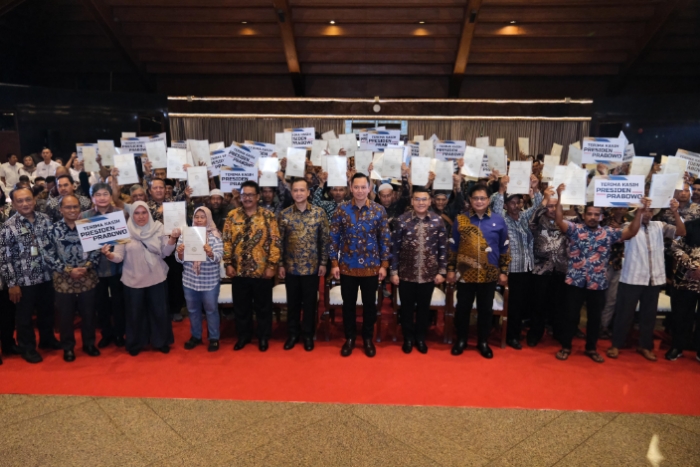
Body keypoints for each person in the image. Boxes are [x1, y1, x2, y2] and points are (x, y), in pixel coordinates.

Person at [553, 183, 647, 363]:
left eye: (596, 214)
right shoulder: (575, 229)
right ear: (584, 215)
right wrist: (559, 197)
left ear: (602, 217)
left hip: (597, 283)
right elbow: (559, 220)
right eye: (590, 214)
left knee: (595, 318)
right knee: (570, 316)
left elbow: (632, 231)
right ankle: (566, 347)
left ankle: (591, 348)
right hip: (575, 281)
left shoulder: (608, 233)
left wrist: (640, 212)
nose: (593, 217)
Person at [607, 199, 685, 361]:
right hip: (632, 277)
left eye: (650, 210)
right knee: (624, 314)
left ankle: (645, 346)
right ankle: (616, 344)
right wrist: (640, 212)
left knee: (649, 315)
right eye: (644, 210)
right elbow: (630, 233)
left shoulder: (660, 225)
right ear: (637, 211)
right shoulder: (627, 226)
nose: (647, 213)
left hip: (653, 278)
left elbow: (681, 232)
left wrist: (675, 212)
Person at [102, 201, 178, 356]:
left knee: (159, 312)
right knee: (135, 313)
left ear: (148, 213)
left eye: (144, 212)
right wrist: (109, 255)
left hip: (156, 277)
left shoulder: (158, 227)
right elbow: (119, 256)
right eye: (137, 213)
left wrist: (172, 240)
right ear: (131, 214)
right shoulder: (124, 230)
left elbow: (166, 253)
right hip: (133, 279)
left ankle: (161, 341)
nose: (141, 216)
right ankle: (136, 342)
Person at [330, 173, 391, 358]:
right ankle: (349, 338)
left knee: (369, 305)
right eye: (356, 187)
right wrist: (334, 263)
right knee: (348, 304)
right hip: (347, 266)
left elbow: (385, 239)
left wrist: (384, 265)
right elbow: (333, 238)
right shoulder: (341, 210)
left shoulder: (379, 210)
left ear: (369, 188)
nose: (359, 190)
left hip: (371, 267)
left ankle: (367, 338)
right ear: (351, 188)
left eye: (363, 187)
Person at [447, 184, 510, 359]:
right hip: (464, 273)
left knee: (485, 310)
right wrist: (450, 269)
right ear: (470, 200)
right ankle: (461, 340)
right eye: (476, 198)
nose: (479, 201)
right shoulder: (461, 220)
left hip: (489, 274)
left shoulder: (499, 220)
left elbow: (504, 247)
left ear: (488, 200)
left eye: (483, 198)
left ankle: (483, 342)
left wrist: (504, 271)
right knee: (462, 308)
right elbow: (453, 246)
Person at [0, 187, 59, 364]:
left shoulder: (45, 219)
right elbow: (4, 258)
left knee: (47, 311)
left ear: (34, 200)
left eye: (28, 199)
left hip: (47, 275)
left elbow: (53, 246)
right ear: (14, 204)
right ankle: (27, 348)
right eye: (20, 201)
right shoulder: (8, 227)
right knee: (24, 317)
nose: (25, 204)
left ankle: (47, 339)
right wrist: (12, 284)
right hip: (23, 280)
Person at [223, 181, 281, 352]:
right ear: (240, 197)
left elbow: (275, 242)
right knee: (241, 307)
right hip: (239, 270)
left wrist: (272, 265)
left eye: (250, 195)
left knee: (263, 307)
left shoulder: (268, 216)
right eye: (244, 195)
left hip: (262, 271)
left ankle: (263, 337)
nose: (247, 198)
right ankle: (243, 336)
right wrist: (227, 263)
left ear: (258, 197)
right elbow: (226, 241)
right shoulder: (232, 216)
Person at [44, 194, 102, 362]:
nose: (72, 210)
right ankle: (68, 347)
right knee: (65, 316)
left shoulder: (88, 226)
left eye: (75, 207)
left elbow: (97, 250)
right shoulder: (52, 230)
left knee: (89, 314)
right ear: (61, 209)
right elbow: (48, 255)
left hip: (87, 277)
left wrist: (87, 267)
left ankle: (89, 344)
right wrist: (68, 270)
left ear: (80, 208)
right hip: (63, 280)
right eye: (68, 207)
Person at [390, 187, 447, 354]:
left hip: (429, 274)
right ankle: (408, 338)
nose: (421, 202)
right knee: (406, 308)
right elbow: (394, 248)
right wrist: (394, 272)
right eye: (417, 199)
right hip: (406, 273)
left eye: (424, 199)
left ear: (430, 202)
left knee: (424, 308)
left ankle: (421, 338)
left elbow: (443, 248)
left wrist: (442, 271)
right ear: (412, 201)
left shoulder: (437, 221)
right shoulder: (402, 220)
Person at [490, 174, 542, 349]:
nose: (516, 205)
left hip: (528, 267)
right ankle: (511, 335)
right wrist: (502, 189)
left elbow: (539, 207)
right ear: (506, 205)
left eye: (518, 202)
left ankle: (517, 330)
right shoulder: (502, 219)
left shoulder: (524, 217)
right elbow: (496, 207)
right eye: (512, 202)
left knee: (523, 303)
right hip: (512, 269)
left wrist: (535, 188)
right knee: (514, 304)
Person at [278, 178, 329, 351]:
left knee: (309, 304)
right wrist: (280, 264)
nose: (299, 193)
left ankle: (308, 334)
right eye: (295, 190)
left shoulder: (319, 213)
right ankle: (293, 334)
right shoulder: (284, 215)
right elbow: (280, 242)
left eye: (302, 190)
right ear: (291, 193)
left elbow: (324, 240)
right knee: (292, 303)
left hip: (311, 267)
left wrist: (323, 262)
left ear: (308, 192)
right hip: (291, 267)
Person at [81, 183, 126, 348]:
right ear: (92, 198)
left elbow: (123, 242)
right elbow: (83, 245)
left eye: (105, 194)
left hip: (117, 267)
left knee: (118, 303)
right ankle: (106, 334)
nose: (102, 198)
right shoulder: (85, 216)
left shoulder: (119, 213)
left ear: (110, 196)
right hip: (95, 269)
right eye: (98, 195)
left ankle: (120, 334)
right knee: (101, 304)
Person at [176, 207, 224, 352]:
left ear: (208, 218)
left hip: (209, 281)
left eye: (203, 217)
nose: (199, 219)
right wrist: (180, 253)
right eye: (196, 216)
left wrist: (210, 253)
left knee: (211, 310)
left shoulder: (215, 235)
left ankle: (214, 338)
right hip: (190, 280)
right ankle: (196, 336)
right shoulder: (186, 235)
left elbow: (219, 257)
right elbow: (179, 259)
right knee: (192, 310)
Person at [526, 187, 568, 347]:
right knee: (538, 305)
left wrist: (562, 196)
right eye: (550, 206)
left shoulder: (565, 222)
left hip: (561, 269)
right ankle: (535, 334)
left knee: (559, 304)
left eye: (555, 206)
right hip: (541, 269)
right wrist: (544, 199)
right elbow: (531, 220)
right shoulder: (538, 221)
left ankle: (558, 332)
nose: (552, 209)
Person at [666, 216, 700, 362]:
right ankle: (677, 346)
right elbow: (675, 247)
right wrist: (693, 266)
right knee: (681, 315)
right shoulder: (689, 225)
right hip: (686, 279)